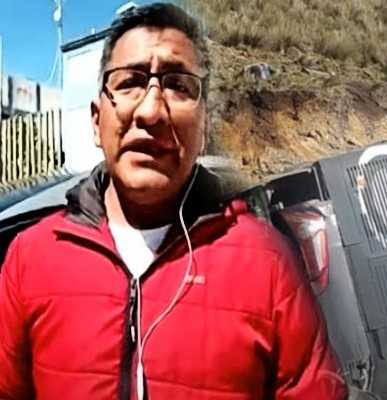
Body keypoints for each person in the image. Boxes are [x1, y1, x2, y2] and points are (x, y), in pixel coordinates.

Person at [0, 3, 348, 399]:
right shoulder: (29, 258)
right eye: (129, 82)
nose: (151, 111)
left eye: (178, 86)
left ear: (205, 128)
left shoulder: (268, 262)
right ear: (97, 121)